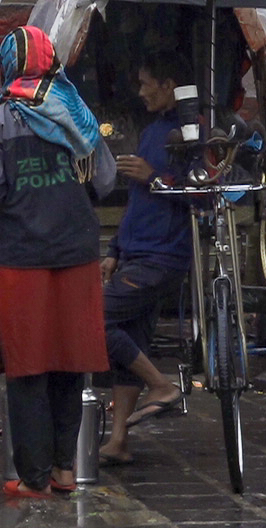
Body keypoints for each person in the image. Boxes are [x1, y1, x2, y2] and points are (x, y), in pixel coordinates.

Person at [0, 26, 115, 498]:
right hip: (77, 255)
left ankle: (33, 479)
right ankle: (64, 471)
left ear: (9, 67)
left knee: (28, 367)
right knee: (71, 363)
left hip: (22, 260)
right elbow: (106, 182)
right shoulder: (79, 116)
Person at [98, 50, 194, 467]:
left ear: (168, 85)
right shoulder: (152, 131)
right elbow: (136, 202)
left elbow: (201, 191)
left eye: (145, 84)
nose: (140, 92)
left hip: (162, 256)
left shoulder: (189, 135)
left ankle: (162, 386)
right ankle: (118, 440)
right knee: (130, 342)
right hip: (136, 254)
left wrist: (153, 177)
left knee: (95, 319)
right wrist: (115, 251)